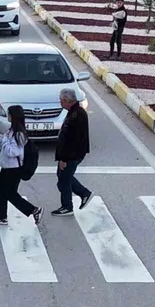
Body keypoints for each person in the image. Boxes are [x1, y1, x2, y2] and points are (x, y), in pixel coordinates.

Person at [0, 105, 43, 225]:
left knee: (10, 194)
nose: (8, 116)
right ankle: (0, 217)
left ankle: (34, 210)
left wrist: (4, 140)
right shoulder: (12, 131)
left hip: (14, 169)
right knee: (0, 192)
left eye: (9, 114)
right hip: (7, 167)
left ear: (14, 116)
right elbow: (6, 149)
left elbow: (13, 152)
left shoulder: (19, 134)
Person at [53, 88, 94, 216]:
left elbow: (72, 141)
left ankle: (67, 206)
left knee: (64, 180)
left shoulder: (77, 115)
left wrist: (64, 159)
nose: (60, 102)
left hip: (72, 155)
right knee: (63, 176)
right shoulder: (74, 112)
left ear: (66, 101)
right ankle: (84, 193)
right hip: (72, 154)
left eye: (61, 100)